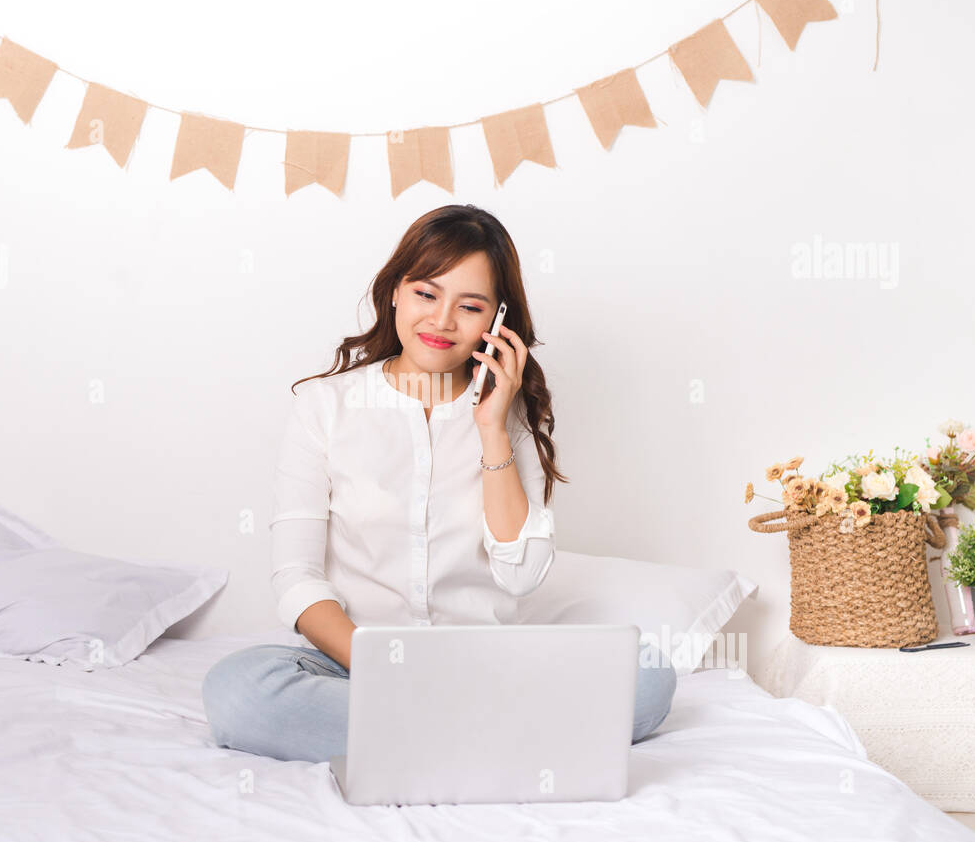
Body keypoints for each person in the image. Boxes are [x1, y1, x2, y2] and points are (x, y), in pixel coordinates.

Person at [203, 204, 675, 763]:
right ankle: (503, 741)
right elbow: (297, 578)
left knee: (648, 675)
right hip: (357, 664)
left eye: (469, 306)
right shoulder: (324, 406)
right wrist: (388, 669)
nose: (443, 320)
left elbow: (521, 576)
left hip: (481, 665)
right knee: (239, 691)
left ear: (496, 322)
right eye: (427, 294)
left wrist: (491, 428)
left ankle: (421, 740)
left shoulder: (509, 415)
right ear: (396, 292)